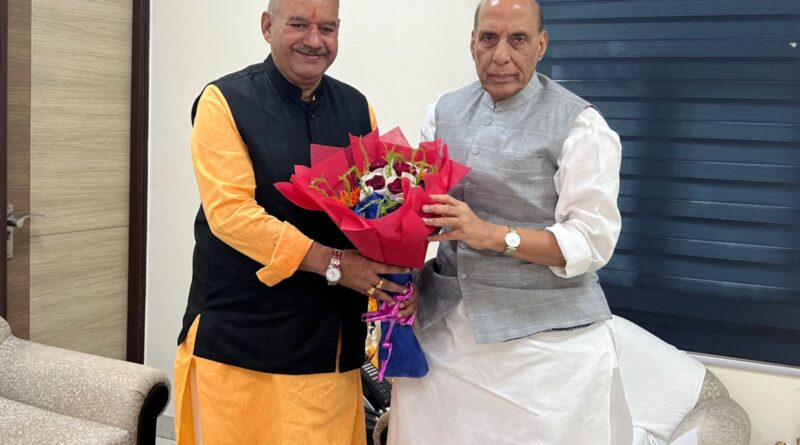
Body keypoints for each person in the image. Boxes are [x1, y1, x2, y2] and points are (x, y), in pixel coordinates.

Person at [388, 0, 632, 443]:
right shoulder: (442, 111)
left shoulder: (581, 125)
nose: (500, 55)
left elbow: (590, 242)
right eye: (489, 38)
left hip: (544, 349)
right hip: (446, 336)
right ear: (472, 43)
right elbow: (421, 214)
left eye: (517, 39)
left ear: (541, 45)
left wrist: (490, 234)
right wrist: (403, 280)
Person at [172, 1, 416, 444]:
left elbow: (375, 206)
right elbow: (231, 214)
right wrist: (336, 264)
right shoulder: (225, 102)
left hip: (328, 349)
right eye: (299, 25)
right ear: (268, 26)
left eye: (328, 28)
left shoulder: (357, 108)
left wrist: (398, 276)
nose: (314, 40)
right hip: (239, 344)